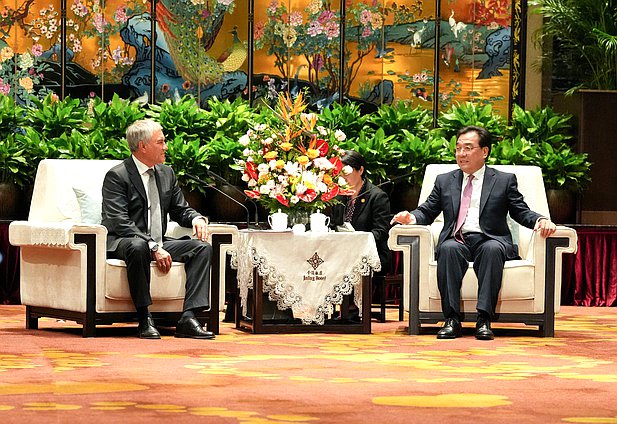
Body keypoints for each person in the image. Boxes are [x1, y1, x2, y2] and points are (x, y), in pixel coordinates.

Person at [391, 126, 556, 340]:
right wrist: (410, 218)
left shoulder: (504, 180)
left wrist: (541, 219)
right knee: (448, 249)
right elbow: (428, 210)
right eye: (458, 148)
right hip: (457, 238)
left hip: (490, 238)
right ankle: (451, 319)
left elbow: (520, 211)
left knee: (491, 250)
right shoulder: (444, 180)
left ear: (484, 151)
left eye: (468, 148)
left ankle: (484, 320)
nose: (461, 154)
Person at [102, 119, 215, 340]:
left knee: (202, 248)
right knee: (138, 247)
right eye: (161, 142)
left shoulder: (166, 174)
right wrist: (152, 245)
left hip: (159, 241)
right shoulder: (117, 176)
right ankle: (144, 317)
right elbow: (119, 222)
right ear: (143, 146)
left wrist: (196, 218)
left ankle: (189, 318)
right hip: (125, 241)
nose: (166, 147)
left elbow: (180, 209)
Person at [331, 149, 391, 272]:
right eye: (339, 173)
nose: (342, 177)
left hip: (370, 254)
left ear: (361, 170)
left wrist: (356, 242)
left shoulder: (377, 196)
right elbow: (333, 225)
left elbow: (380, 232)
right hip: (341, 252)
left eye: (346, 172)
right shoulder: (339, 196)